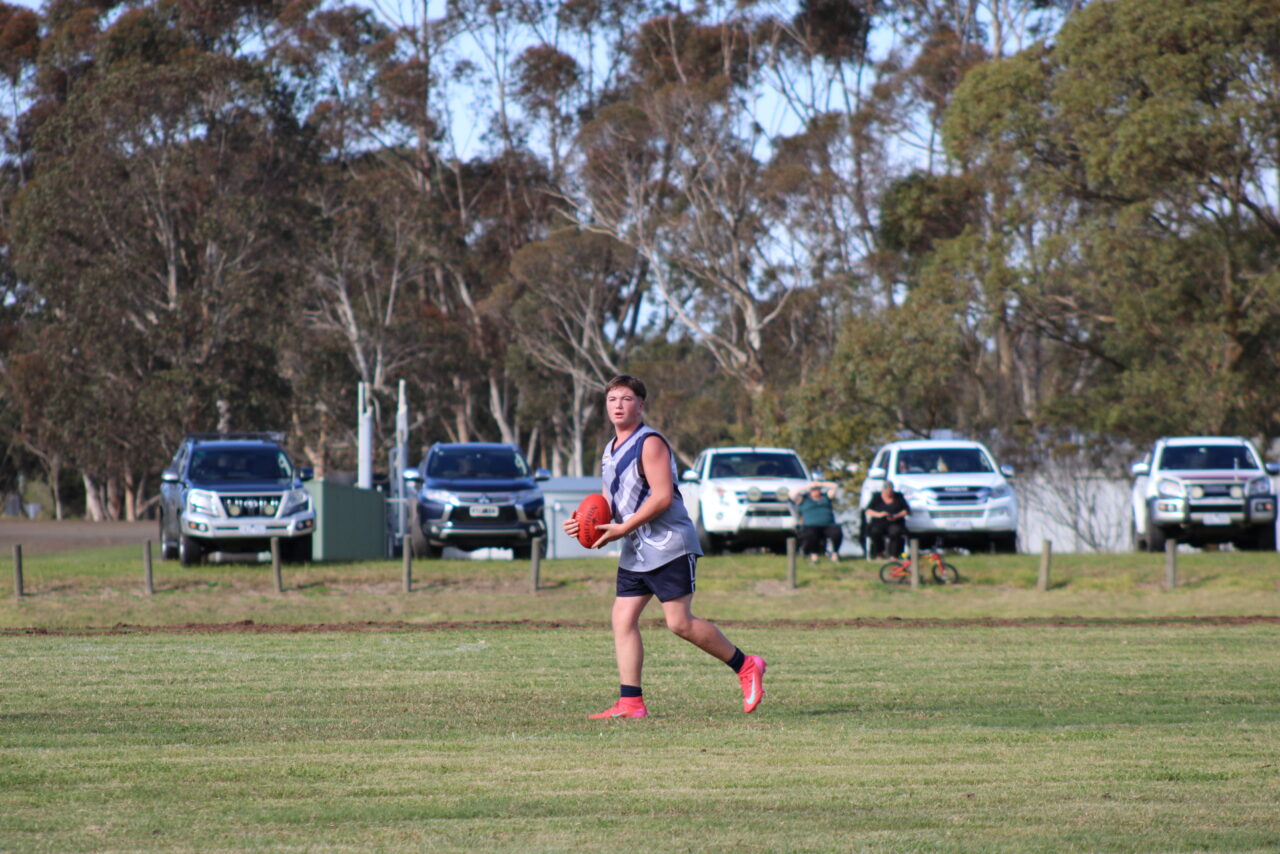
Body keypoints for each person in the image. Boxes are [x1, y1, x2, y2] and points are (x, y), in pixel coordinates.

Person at [564, 375, 767, 719]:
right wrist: (582, 522)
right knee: (622, 618)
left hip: (668, 544)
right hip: (636, 548)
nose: (618, 405)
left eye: (626, 399)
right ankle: (631, 702)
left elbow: (662, 497)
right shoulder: (609, 450)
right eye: (612, 399)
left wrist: (623, 528)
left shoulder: (650, 443)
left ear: (640, 405)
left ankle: (746, 665)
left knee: (679, 623)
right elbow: (609, 502)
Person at [789, 480, 842, 564]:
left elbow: (835, 486)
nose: (816, 491)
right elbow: (792, 494)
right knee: (809, 534)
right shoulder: (803, 499)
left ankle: (835, 554)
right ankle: (814, 555)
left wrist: (821, 484)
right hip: (810, 526)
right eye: (813, 489)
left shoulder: (826, 497)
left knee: (837, 532)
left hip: (828, 525)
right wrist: (807, 486)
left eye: (817, 489)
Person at [864, 480, 910, 559]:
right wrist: (879, 514)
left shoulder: (899, 497)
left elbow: (906, 510)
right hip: (879, 523)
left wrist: (896, 516)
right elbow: (868, 511)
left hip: (895, 522)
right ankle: (879, 553)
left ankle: (894, 555)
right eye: (887, 491)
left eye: (890, 491)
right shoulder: (876, 497)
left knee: (895, 532)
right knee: (875, 532)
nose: (889, 493)